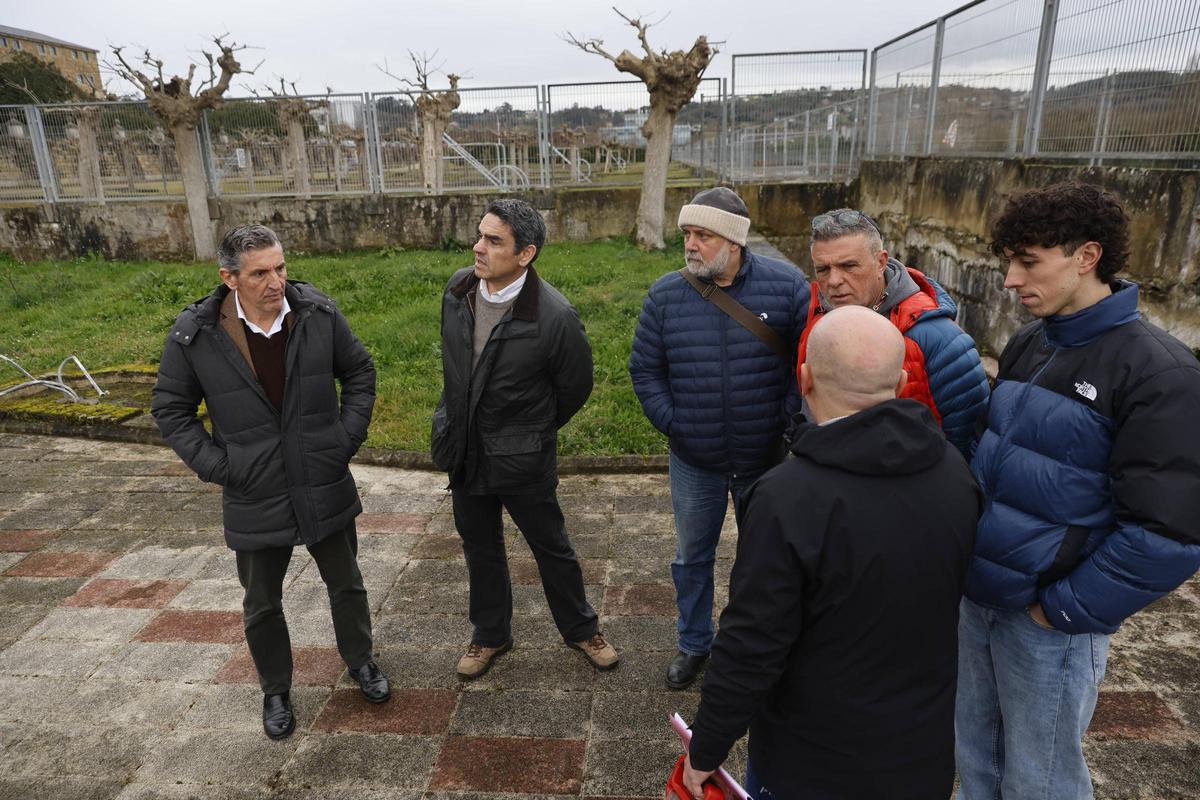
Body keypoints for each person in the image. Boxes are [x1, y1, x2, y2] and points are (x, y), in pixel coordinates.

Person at [957, 181, 1200, 798]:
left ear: (1087, 257)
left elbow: (1168, 533)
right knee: (978, 759)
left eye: (1028, 261)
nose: (1010, 279)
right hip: (980, 597)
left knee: (1041, 780)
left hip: (1050, 620)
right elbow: (990, 464)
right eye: (1008, 260)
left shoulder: (1159, 372)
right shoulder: (1029, 342)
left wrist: (1060, 610)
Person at [682, 305, 981, 800]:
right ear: (904, 379)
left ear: (804, 378)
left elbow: (753, 643)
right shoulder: (954, 471)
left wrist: (705, 748)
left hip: (811, 763)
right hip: (920, 754)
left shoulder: (786, 496)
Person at [151, 224, 389, 740]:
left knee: (346, 583)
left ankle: (362, 662)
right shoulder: (196, 334)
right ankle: (275, 690)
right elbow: (171, 409)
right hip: (253, 489)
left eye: (280, 267)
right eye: (260, 273)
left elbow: (361, 371)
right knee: (261, 602)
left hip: (321, 478)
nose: (276, 281)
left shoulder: (318, 315)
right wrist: (221, 466)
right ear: (230, 278)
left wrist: (343, 439)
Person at [629, 186, 809, 690]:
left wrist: (786, 421)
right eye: (687, 233)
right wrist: (676, 423)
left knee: (768, 561)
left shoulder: (787, 285)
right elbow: (645, 370)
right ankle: (693, 643)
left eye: (703, 235)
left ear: (734, 241)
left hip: (766, 458)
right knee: (692, 557)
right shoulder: (666, 294)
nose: (690, 245)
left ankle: (760, 646)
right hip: (695, 459)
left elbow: (805, 363)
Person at [431, 198, 618, 679]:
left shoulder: (554, 316)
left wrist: (532, 429)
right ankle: (490, 635)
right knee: (480, 546)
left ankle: (581, 629)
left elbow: (575, 387)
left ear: (525, 253)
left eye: (494, 241)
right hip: (466, 453)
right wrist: (448, 419)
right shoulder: (458, 291)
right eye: (480, 235)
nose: (479, 247)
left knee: (551, 546)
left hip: (522, 459)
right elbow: (454, 368)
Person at [800, 208, 989, 457]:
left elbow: (965, 444)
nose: (834, 281)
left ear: (881, 262)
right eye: (823, 269)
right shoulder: (816, 316)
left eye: (848, 266)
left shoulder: (940, 340)